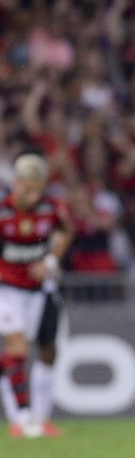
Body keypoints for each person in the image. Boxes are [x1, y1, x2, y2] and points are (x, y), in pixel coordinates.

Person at [0, 153, 73, 438]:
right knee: (18, 349)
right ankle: (20, 419)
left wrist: (51, 261)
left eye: (37, 188)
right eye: (27, 188)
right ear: (15, 183)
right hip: (7, 290)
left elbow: (67, 230)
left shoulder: (50, 208)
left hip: (40, 292)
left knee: (48, 350)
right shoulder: (3, 212)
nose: (32, 195)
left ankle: (40, 419)